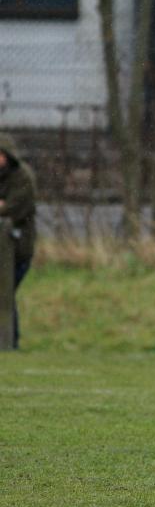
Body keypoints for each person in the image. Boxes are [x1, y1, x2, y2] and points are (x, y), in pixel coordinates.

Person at [0, 133, 37, 350]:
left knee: (6, 294)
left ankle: (9, 341)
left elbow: (14, 209)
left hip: (18, 249)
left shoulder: (22, 178)